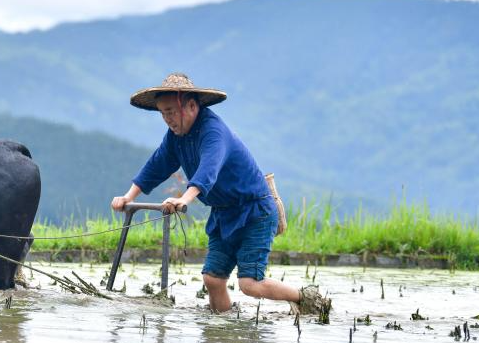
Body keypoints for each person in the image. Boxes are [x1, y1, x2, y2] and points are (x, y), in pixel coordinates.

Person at [111, 72, 329, 316]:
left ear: (191, 106)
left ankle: (307, 299)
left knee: (250, 284)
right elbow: (156, 165)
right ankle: (224, 330)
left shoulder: (213, 132)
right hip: (224, 213)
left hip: (254, 211)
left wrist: (184, 199)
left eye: (171, 111)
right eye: (163, 113)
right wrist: (129, 196)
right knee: (213, 280)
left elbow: (208, 169)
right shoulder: (175, 137)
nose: (168, 119)